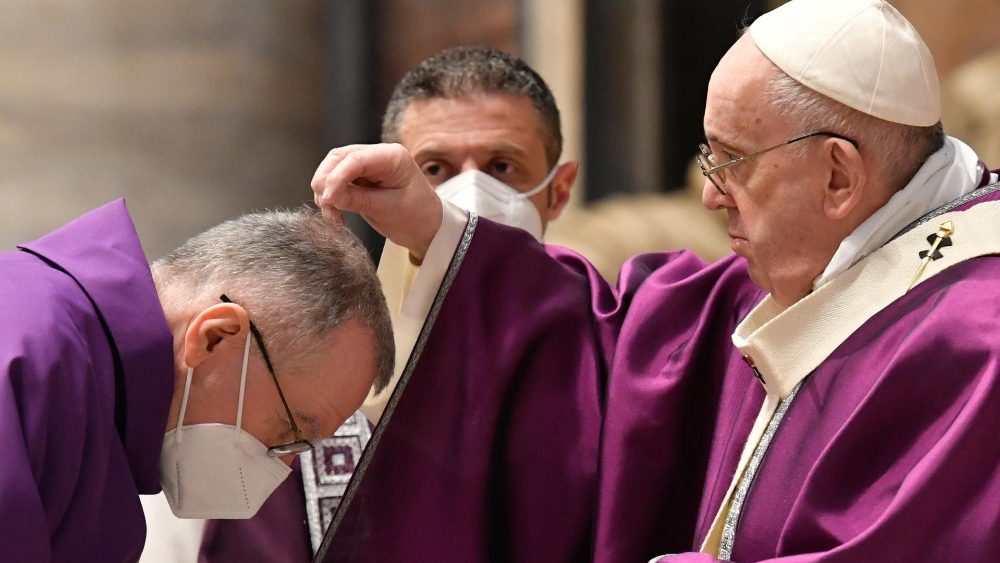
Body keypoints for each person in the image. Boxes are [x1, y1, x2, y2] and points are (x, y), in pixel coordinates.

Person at [309, 0, 1000, 561]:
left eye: (732, 160)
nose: (710, 194)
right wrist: (437, 227)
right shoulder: (805, 269)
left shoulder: (978, 335)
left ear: (840, 177)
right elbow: (612, 350)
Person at [196, 45, 580, 561]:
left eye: (502, 166)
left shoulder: (603, 372)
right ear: (384, 181)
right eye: (436, 169)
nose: (471, 193)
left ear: (558, 191)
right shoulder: (313, 386)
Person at [0, 199, 393, 562]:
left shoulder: (100, 406)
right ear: (215, 337)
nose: (284, 466)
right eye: (288, 430)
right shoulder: (29, 354)